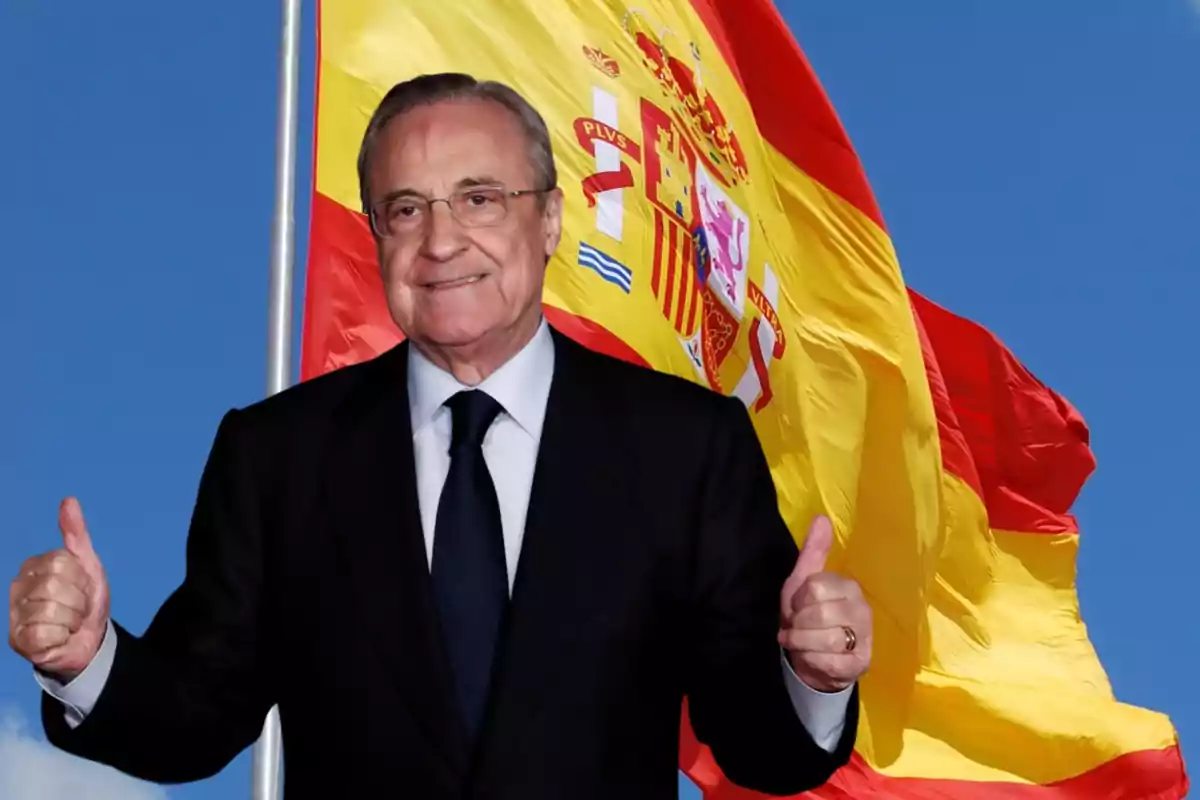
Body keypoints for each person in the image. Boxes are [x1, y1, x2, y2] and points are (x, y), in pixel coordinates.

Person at [8, 73, 873, 799]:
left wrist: (814, 677)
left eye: (480, 198)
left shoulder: (686, 446)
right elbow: (196, 717)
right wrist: (90, 661)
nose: (441, 240)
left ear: (549, 221)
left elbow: (760, 744)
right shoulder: (277, 456)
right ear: (376, 234)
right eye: (406, 208)